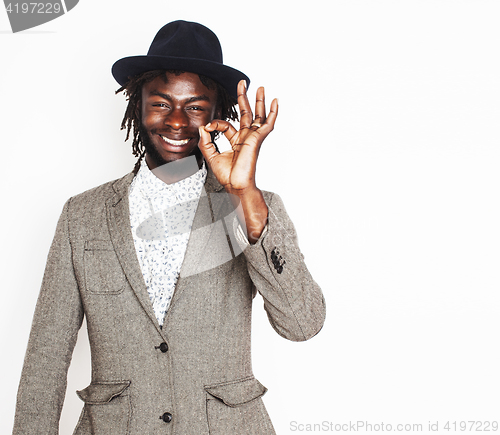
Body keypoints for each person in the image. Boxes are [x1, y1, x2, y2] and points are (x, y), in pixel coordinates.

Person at [12, 20, 326, 435]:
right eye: (161, 103)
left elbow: (302, 325)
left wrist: (243, 194)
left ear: (217, 114)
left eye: (195, 107)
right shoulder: (81, 216)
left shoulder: (254, 208)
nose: (177, 121)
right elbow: (46, 357)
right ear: (136, 104)